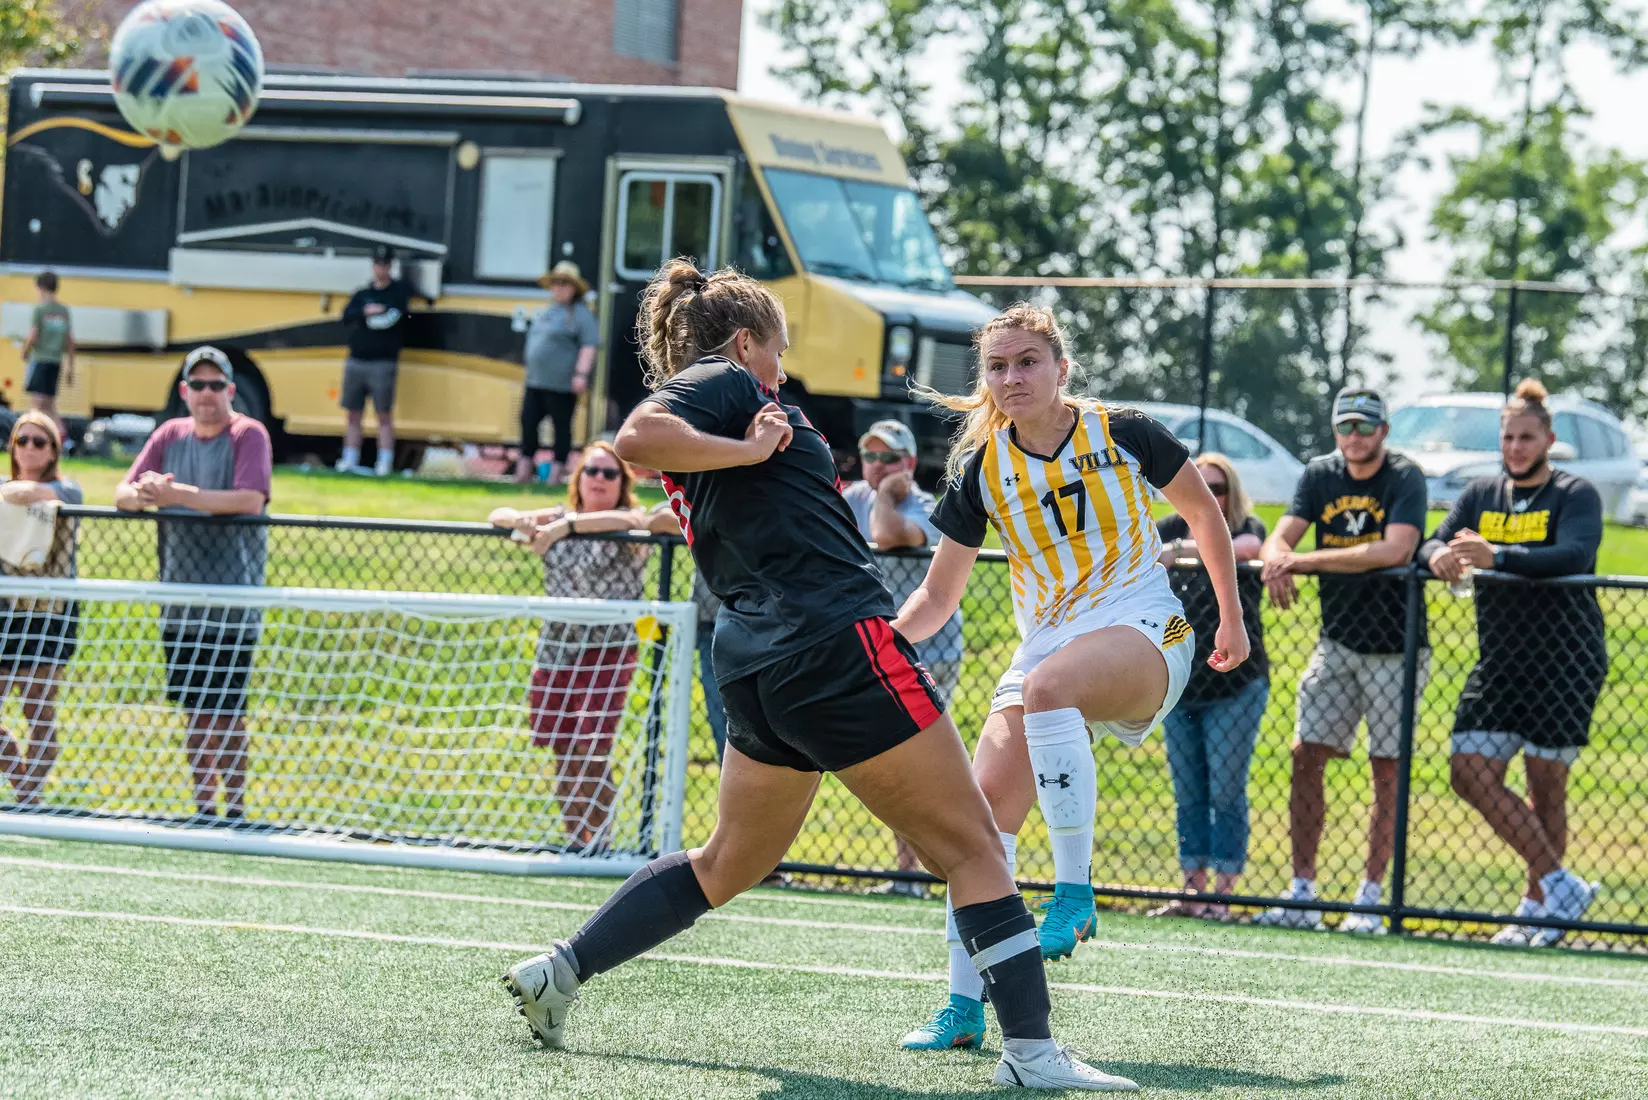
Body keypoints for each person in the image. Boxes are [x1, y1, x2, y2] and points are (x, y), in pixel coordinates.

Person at [500, 263, 1135, 1091]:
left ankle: (562, 969)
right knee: (977, 845)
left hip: (758, 661)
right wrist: (752, 443)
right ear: (742, 343)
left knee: (727, 861)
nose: (784, 373)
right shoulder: (728, 387)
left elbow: (675, 479)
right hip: (831, 645)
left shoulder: (719, 421)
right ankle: (1035, 1057)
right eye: (779, 353)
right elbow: (633, 440)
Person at [891, 303, 1247, 1052]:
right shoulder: (984, 467)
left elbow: (1208, 519)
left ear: (1061, 367)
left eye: (1027, 361)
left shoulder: (1122, 430)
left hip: (1160, 626)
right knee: (976, 827)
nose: (1011, 377)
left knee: (1050, 688)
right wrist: (882, 642)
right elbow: (937, 597)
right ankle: (962, 1007)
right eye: (997, 365)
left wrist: (1231, 620)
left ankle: (1075, 892)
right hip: (1051, 646)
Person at [1423, 379, 1604, 947]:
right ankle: (1561, 885)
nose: (1517, 446)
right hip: (1500, 660)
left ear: (1549, 438)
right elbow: (1432, 541)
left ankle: (1537, 909)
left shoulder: (1575, 493)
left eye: (1528, 436)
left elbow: (1573, 554)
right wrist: (1442, 559)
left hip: (1566, 659)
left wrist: (1498, 555)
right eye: (1508, 436)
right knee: (1468, 769)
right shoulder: (1480, 493)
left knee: (1546, 785)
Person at [1257, 387, 1429, 934]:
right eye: (1345, 426)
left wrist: (1299, 561)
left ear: (1383, 431)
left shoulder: (1404, 476)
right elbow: (1277, 538)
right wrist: (1276, 563)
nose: (1354, 437)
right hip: (1337, 641)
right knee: (1306, 753)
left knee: (1387, 769)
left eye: (1365, 427)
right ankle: (1302, 891)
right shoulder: (1319, 474)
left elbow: (1393, 549)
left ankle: (1372, 898)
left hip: (1396, 647)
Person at [116, 346, 272, 822]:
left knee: (228, 715)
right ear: (184, 391)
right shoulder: (168, 434)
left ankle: (236, 808)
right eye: (197, 385)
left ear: (231, 389)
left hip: (233, 601)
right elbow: (123, 493)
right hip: (179, 601)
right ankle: (203, 807)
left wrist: (178, 494)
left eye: (215, 385)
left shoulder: (250, 434)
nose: (206, 395)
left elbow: (249, 498)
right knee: (195, 712)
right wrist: (146, 494)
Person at [489, 442, 653, 851]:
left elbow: (639, 519)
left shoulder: (628, 525)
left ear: (622, 482)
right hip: (557, 648)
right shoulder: (558, 519)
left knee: (592, 747)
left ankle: (601, 841)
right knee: (562, 747)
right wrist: (525, 521)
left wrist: (567, 527)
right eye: (591, 471)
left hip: (609, 650)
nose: (599, 479)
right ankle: (574, 841)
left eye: (609, 473)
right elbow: (498, 515)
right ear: (577, 478)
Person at [843, 418, 966, 898]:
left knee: (917, 764)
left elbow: (891, 535)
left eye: (889, 457)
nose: (877, 466)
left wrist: (889, 495)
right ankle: (909, 871)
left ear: (909, 463)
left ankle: (919, 872)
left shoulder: (925, 507)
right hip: (872, 650)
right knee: (892, 765)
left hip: (928, 651)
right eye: (870, 456)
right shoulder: (850, 497)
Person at [1149, 453, 1269, 920]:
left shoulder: (1248, 525)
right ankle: (1191, 889)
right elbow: (1134, 558)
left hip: (1235, 683)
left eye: (1219, 488)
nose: (1211, 496)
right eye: (1203, 486)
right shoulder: (1164, 526)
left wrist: (1179, 552)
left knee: (1225, 789)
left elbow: (1244, 551)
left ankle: (1223, 894)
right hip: (1179, 683)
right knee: (1189, 791)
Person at [0, 412, 81, 805]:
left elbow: (45, 496)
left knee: (37, 706)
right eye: (22, 440)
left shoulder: (70, 490)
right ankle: (23, 784)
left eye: (39, 442)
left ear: (53, 451)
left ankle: (29, 795)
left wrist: (18, 491)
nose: (29, 448)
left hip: (50, 611)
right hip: (5, 607)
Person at [337, 245, 428, 477]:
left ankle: (385, 462)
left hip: (383, 363)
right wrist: (366, 311)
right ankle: (349, 458)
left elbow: (403, 316)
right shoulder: (362, 294)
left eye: (385, 264)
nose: (381, 268)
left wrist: (382, 309)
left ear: (390, 266)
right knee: (353, 413)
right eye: (378, 263)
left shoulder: (397, 293)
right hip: (357, 360)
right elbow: (346, 316)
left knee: (383, 414)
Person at [517, 262, 599, 485]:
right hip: (536, 381)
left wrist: (581, 374)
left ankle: (556, 474)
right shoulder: (548, 310)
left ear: (574, 288)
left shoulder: (581, 314)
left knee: (561, 428)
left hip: (562, 384)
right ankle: (523, 470)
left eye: (564, 283)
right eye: (555, 283)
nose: (559, 287)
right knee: (528, 423)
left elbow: (589, 346)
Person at [19, 271, 75, 444]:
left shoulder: (40, 309)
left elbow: (33, 335)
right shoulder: (63, 310)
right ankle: (64, 439)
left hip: (40, 359)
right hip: (56, 361)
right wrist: (71, 367)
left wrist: (25, 351)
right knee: (50, 404)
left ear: (41, 288)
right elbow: (70, 340)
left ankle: (30, 439)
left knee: (36, 404)